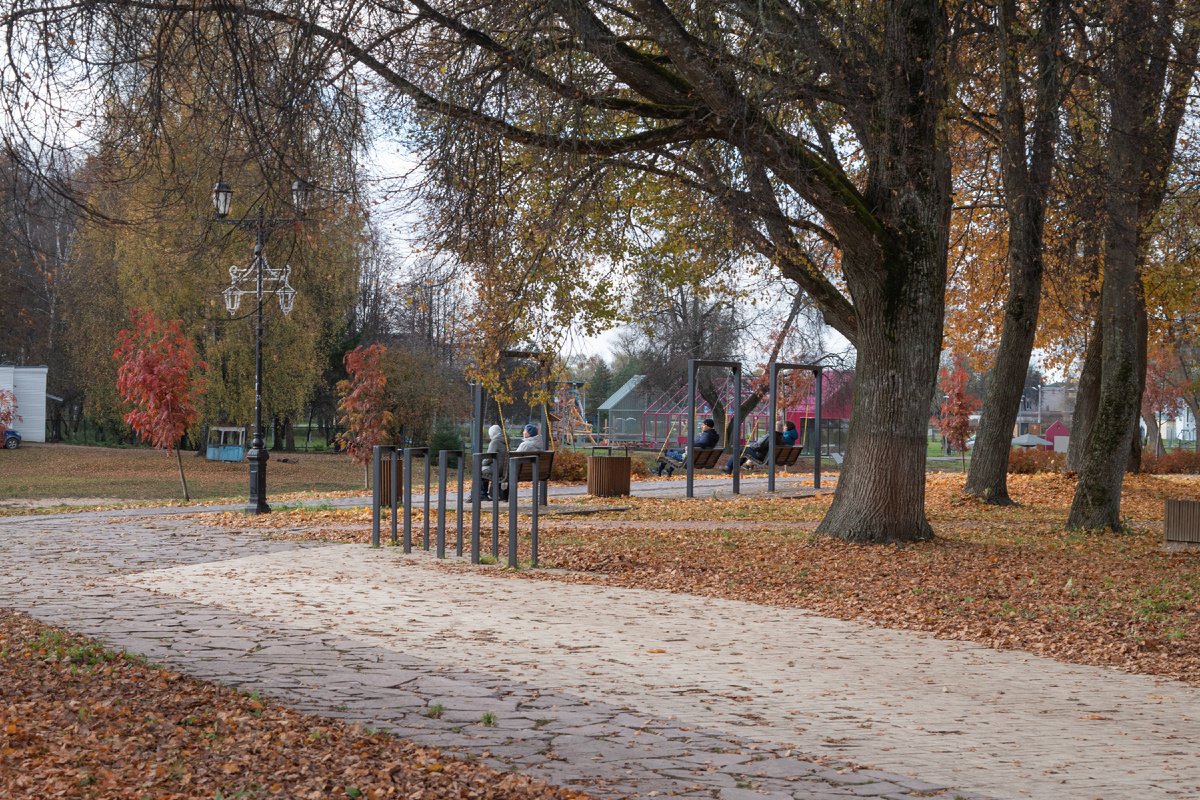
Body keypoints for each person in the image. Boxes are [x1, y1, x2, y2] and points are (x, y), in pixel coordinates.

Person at [500, 423, 543, 500]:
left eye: (525, 430)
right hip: (533, 472)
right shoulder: (539, 445)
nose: (523, 432)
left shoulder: (525, 445)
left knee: (501, 472)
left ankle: (502, 497)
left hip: (519, 472)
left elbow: (513, 457)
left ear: (529, 434)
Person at [478, 424, 507, 500]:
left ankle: (482, 494)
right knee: (483, 469)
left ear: (492, 435)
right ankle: (484, 493)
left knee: (478, 470)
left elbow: (488, 458)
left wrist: (481, 464)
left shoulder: (495, 442)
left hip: (498, 470)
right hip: (505, 469)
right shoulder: (506, 440)